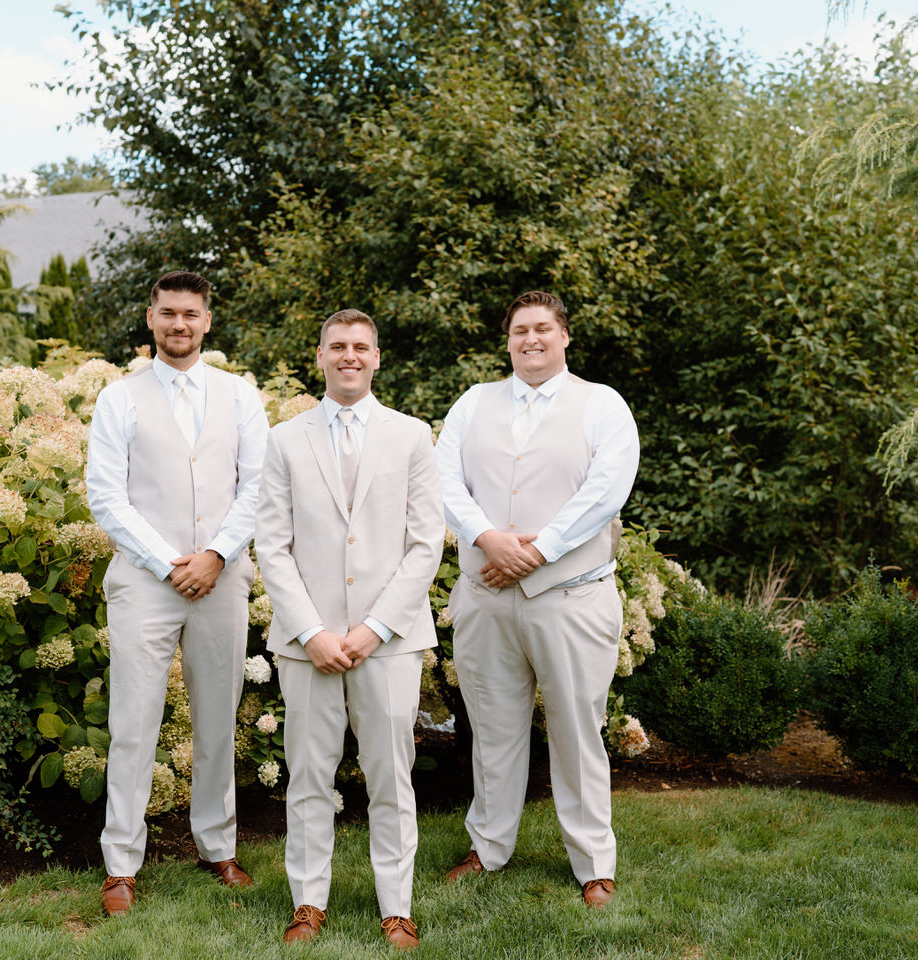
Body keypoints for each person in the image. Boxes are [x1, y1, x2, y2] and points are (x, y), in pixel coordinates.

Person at [435, 290, 639, 908]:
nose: (532, 339)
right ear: (508, 340)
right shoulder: (474, 403)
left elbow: (606, 489)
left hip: (571, 600)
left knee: (579, 730)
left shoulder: (602, 405)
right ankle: (489, 846)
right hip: (486, 598)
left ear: (564, 337)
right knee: (492, 729)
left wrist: (538, 551)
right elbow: (444, 480)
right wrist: (489, 540)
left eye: (544, 329)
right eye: (521, 330)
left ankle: (594, 864)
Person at [255, 309, 444, 950]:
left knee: (392, 775)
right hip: (307, 645)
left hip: (390, 641)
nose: (349, 356)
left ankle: (397, 906)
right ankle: (309, 901)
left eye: (361, 347)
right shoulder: (284, 440)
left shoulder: (414, 436)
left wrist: (377, 628)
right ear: (320, 355)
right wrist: (311, 631)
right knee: (309, 775)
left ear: (378, 356)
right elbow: (271, 547)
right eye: (338, 346)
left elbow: (424, 546)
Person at [85, 270, 268, 916]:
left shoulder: (241, 396)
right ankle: (121, 865)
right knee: (133, 721)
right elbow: (106, 495)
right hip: (144, 582)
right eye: (168, 313)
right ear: (151, 317)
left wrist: (216, 555)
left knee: (219, 719)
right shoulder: (120, 399)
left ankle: (218, 848)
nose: (179, 324)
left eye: (190, 314)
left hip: (221, 579)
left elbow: (257, 487)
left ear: (207, 320)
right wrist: (170, 563)